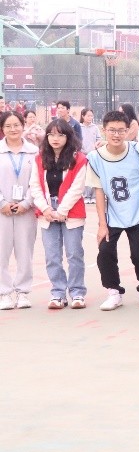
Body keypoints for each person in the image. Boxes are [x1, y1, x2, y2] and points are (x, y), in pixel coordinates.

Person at [85, 111, 139, 311]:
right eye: (112, 130)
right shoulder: (95, 157)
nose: (116, 134)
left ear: (127, 131)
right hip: (113, 214)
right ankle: (114, 292)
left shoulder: (138, 151)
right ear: (104, 130)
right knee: (105, 252)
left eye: (120, 130)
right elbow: (99, 191)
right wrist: (102, 223)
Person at [31, 119, 89, 309]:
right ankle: (58, 293)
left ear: (68, 137)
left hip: (71, 211)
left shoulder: (78, 158)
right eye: (51, 134)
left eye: (60, 134)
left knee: (74, 254)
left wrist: (62, 210)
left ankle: (77, 293)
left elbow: (77, 188)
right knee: (52, 256)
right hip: (47, 211)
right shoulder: (39, 158)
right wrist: (46, 209)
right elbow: (35, 186)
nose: (55, 138)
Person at [0, 111, 40, 310]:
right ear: (2, 129)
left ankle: (23, 292)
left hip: (26, 210)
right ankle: (4, 292)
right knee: (1, 251)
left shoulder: (34, 152)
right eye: (8, 126)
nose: (13, 129)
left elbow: (38, 181)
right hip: (2, 211)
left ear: (23, 126)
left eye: (16, 125)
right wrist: (2, 203)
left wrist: (27, 202)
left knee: (25, 251)